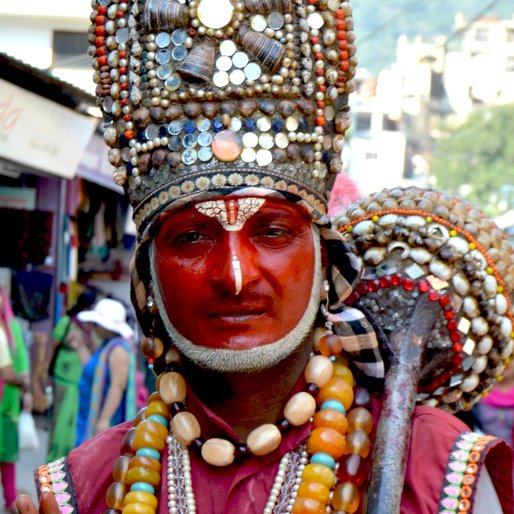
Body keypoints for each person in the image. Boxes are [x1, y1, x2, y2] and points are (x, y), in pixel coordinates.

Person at [16, 1, 514, 513]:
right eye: (192, 238)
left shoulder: (432, 469)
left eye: (272, 232)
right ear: (146, 282)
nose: (235, 276)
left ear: (328, 264)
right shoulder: (88, 484)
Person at [74, 297, 137, 445]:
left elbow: (118, 385)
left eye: (97, 323)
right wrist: (79, 347)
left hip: (105, 417)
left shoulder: (118, 350)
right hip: (88, 412)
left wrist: (104, 419)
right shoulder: (106, 347)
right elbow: (92, 370)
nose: (94, 326)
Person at [46, 289, 98, 461]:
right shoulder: (68, 322)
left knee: (74, 422)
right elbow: (52, 346)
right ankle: (54, 458)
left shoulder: (93, 328)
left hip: (81, 381)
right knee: (60, 422)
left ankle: (68, 458)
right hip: (63, 378)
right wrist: (44, 372)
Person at [0, 287, 31, 514]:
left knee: (7, 453)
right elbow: (9, 373)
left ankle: (10, 497)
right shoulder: (3, 334)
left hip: (7, 402)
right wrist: (24, 384)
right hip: (5, 400)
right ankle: (10, 498)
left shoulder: (10, 331)